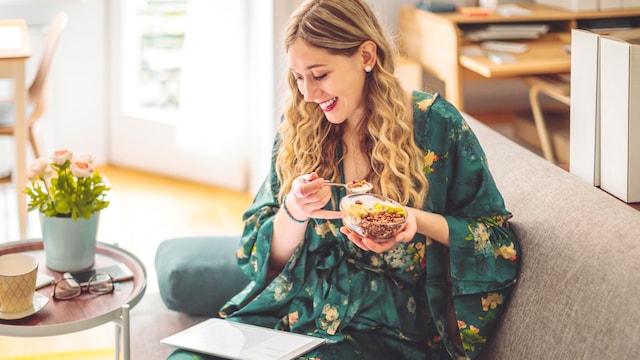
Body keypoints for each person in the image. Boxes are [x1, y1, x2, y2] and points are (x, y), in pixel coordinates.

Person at [168, 0, 520, 359]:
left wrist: (414, 221)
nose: (307, 94)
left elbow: (498, 244)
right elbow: (260, 261)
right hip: (296, 314)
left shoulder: (436, 127)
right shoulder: (301, 128)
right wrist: (294, 210)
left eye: (319, 75)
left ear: (367, 55)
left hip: (384, 334)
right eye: (298, 77)